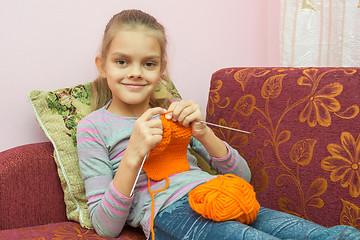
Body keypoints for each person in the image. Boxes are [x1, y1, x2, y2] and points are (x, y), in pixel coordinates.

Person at [76, 9, 360, 240]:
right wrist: (134, 153)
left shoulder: (173, 113)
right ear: (102, 66)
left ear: (161, 69)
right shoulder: (93, 128)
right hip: (169, 212)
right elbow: (105, 226)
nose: (136, 73)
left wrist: (204, 132)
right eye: (122, 61)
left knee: (333, 235)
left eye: (149, 64)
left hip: (222, 195)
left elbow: (243, 177)